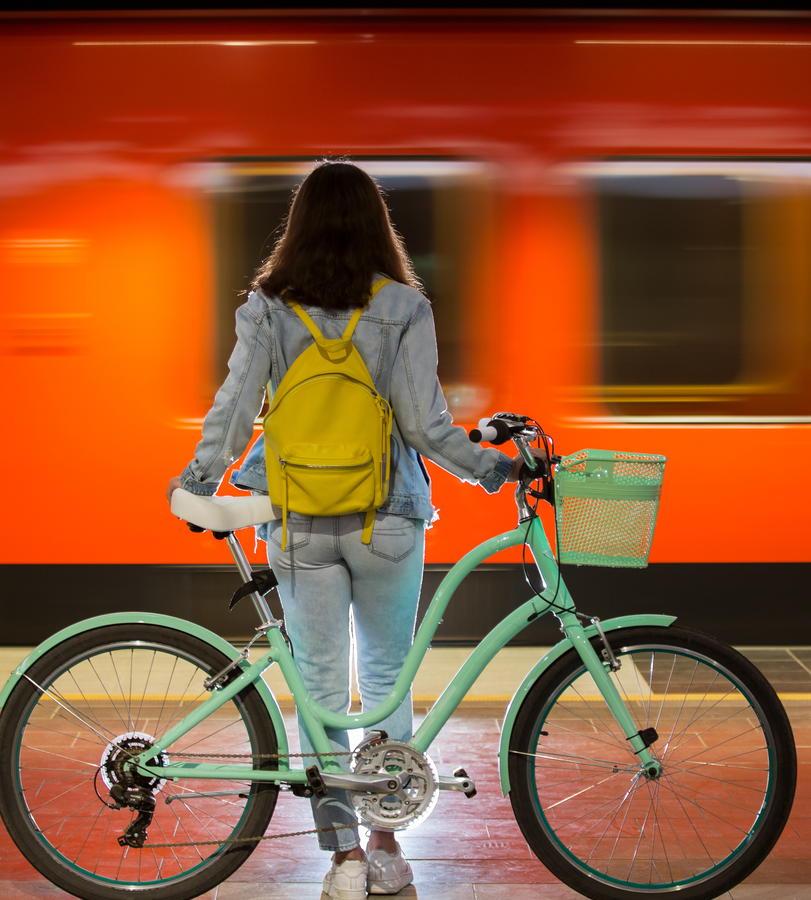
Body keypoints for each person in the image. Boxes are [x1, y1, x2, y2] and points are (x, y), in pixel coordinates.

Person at [169, 161, 536, 900]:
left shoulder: (268, 307)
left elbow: (235, 409)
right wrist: (495, 470)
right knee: (386, 679)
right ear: (379, 226)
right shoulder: (402, 305)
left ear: (298, 225)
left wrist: (197, 483)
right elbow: (426, 427)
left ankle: (340, 859)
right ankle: (386, 845)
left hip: (297, 520)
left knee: (319, 689)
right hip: (388, 520)